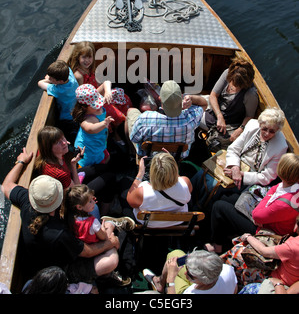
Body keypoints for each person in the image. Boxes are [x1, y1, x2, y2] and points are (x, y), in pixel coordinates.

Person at [1, 149, 127, 286]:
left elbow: (6, 186)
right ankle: (100, 278)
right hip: (60, 270)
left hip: (46, 255)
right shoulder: (58, 233)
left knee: (105, 226)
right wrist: (110, 242)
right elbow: (87, 252)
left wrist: (21, 161)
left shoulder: (27, 201)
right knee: (112, 258)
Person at [205, 153, 299, 254]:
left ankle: (217, 246)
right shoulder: (294, 185)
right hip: (265, 217)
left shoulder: (284, 203)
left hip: (266, 232)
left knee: (219, 207)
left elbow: (256, 215)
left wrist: (267, 199)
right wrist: (268, 198)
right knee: (226, 198)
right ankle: (227, 234)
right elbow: (274, 189)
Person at [67, 41, 132, 142]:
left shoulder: (91, 69)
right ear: (77, 57)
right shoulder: (79, 75)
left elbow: (102, 83)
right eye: (84, 57)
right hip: (91, 103)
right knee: (115, 114)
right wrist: (102, 94)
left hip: (98, 96)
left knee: (122, 95)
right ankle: (116, 134)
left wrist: (107, 92)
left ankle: (121, 127)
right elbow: (84, 97)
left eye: (90, 57)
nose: (87, 61)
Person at [126, 80, 207, 159]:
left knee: (131, 111)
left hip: (149, 159)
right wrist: (190, 98)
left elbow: (134, 138)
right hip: (175, 160)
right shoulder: (189, 118)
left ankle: (132, 154)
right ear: (180, 98)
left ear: (160, 98)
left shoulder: (145, 118)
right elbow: (204, 103)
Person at [125, 152, 192, 227]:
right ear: (174, 169)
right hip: (177, 222)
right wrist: (170, 162)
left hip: (149, 224)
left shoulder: (142, 192)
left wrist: (140, 173)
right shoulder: (186, 182)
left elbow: (130, 201)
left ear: (152, 172)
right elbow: (179, 180)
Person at [200, 58, 258, 142]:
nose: (233, 86)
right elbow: (213, 95)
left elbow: (249, 116)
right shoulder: (228, 72)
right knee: (185, 99)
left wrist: (240, 129)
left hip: (227, 120)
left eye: (237, 85)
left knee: (188, 113)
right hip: (216, 108)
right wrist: (219, 116)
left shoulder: (250, 94)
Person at [236, 214, 299, 291]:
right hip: (290, 279)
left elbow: (264, 251)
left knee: (238, 252)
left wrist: (248, 237)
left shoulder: (293, 246)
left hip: (275, 279)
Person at [142, 248, 237, 294]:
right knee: (174, 254)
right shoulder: (227, 269)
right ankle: (160, 283)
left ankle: (160, 283)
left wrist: (170, 279)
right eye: (187, 268)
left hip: (186, 290)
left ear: (204, 280)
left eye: (190, 275)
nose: (185, 273)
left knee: (171, 269)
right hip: (203, 285)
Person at [38, 60, 79, 143]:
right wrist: (52, 79)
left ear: (60, 81)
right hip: (76, 111)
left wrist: (47, 80)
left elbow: (40, 83)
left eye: (51, 78)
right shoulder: (69, 74)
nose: (49, 78)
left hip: (67, 118)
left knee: (68, 134)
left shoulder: (60, 90)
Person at [72, 84, 113, 167]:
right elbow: (91, 129)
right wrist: (104, 123)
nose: (100, 105)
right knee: (89, 163)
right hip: (88, 148)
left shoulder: (91, 97)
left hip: (99, 141)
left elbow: (106, 82)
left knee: (104, 157)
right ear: (84, 107)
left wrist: (107, 91)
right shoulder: (86, 120)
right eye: (95, 105)